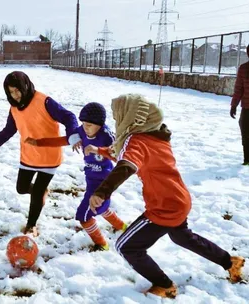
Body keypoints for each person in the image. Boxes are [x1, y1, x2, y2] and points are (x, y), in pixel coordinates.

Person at [89, 93, 245, 298]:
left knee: (126, 246)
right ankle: (229, 262)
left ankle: (164, 285)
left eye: (119, 116)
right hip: (179, 199)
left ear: (130, 117)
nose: (117, 120)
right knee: (183, 237)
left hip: (164, 206)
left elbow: (127, 163)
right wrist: (101, 150)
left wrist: (102, 191)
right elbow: (125, 154)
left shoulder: (137, 140)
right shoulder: (156, 136)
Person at [0, 71, 80, 236]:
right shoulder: (14, 108)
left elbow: (68, 116)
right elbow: (9, 130)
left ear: (25, 86)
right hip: (28, 155)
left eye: (17, 90)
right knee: (21, 188)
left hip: (49, 156)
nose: (15, 95)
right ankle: (41, 193)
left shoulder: (44, 101)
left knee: (37, 192)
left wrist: (73, 134)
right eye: (11, 92)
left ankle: (31, 225)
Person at [26, 102, 126, 251]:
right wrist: (39, 143)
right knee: (102, 207)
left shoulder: (107, 136)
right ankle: (122, 226)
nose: (86, 127)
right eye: (84, 123)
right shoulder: (82, 131)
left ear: (100, 124)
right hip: (91, 179)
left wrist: (98, 150)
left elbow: (120, 157)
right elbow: (63, 140)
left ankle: (102, 244)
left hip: (105, 182)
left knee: (84, 216)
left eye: (90, 125)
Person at [230, 44, 249, 166]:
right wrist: (234, 105)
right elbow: (239, 89)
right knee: (246, 133)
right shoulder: (244, 69)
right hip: (247, 108)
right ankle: (247, 158)